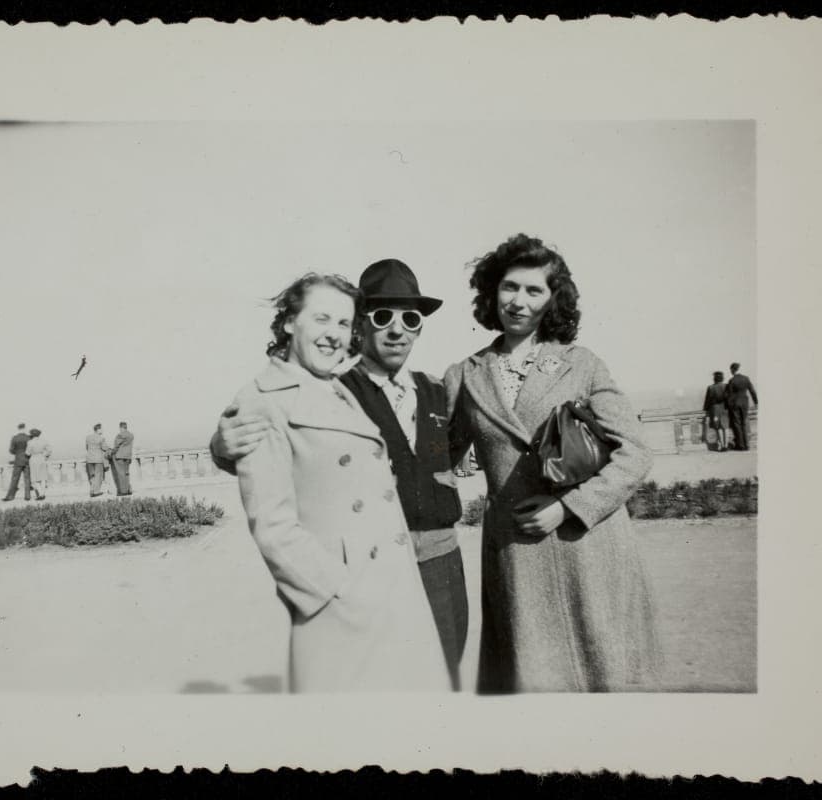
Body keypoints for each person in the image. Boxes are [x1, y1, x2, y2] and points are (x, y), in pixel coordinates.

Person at [213, 259, 469, 689]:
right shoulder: (338, 384)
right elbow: (266, 439)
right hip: (364, 577)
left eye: (411, 318)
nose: (397, 329)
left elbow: (456, 449)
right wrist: (221, 445)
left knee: (439, 691)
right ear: (362, 327)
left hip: (438, 564)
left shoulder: (436, 390)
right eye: (381, 316)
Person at [445, 234, 661, 692]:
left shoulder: (582, 365)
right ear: (491, 292)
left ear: (552, 299)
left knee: (606, 680)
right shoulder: (463, 376)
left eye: (534, 290)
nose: (518, 302)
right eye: (509, 287)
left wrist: (568, 507)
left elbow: (635, 451)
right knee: (533, 688)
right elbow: (438, 460)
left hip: (590, 545)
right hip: (516, 555)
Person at [725, 362, 758, 451]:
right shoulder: (746, 378)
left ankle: (740, 445)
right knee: (744, 423)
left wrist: (729, 406)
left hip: (735, 404)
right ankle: (747, 445)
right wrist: (756, 402)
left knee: (737, 424)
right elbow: (752, 391)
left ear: (732, 369)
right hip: (745, 403)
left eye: (731, 370)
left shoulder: (732, 381)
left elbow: (729, 396)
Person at [2, 423, 32, 502]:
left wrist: (17, 453)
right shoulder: (28, 438)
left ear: (18, 429)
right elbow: (31, 449)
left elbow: (11, 450)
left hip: (18, 460)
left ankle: (10, 496)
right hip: (27, 460)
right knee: (27, 479)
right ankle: (27, 496)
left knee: (14, 479)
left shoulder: (14, 438)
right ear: (24, 428)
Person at [703, 371, 730, 452]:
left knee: (719, 428)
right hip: (725, 408)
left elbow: (707, 401)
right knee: (726, 427)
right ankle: (726, 445)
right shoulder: (726, 386)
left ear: (714, 378)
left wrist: (706, 410)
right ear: (722, 378)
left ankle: (722, 446)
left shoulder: (710, 387)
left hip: (715, 409)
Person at [26, 428, 52, 500]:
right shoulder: (44, 441)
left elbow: (27, 453)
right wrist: (45, 456)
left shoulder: (30, 442)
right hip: (41, 458)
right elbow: (49, 450)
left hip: (34, 459)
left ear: (32, 435)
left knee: (35, 478)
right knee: (43, 478)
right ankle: (43, 493)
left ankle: (40, 494)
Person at [85, 423, 110, 497]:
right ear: (98, 429)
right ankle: (96, 491)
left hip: (89, 459)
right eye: (101, 429)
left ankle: (92, 490)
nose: (102, 430)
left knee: (92, 476)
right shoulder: (101, 438)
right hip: (98, 459)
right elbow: (105, 448)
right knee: (98, 476)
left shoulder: (88, 437)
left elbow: (87, 447)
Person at [110, 422, 135, 496]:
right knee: (126, 473)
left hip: (120, 456)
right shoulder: (131, 435)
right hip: (127, 456)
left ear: (121, 428)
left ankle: (123, 491)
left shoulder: (120, 435)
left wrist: (111, 452)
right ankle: (128, 489)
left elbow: (116, 446)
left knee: (121, 474)